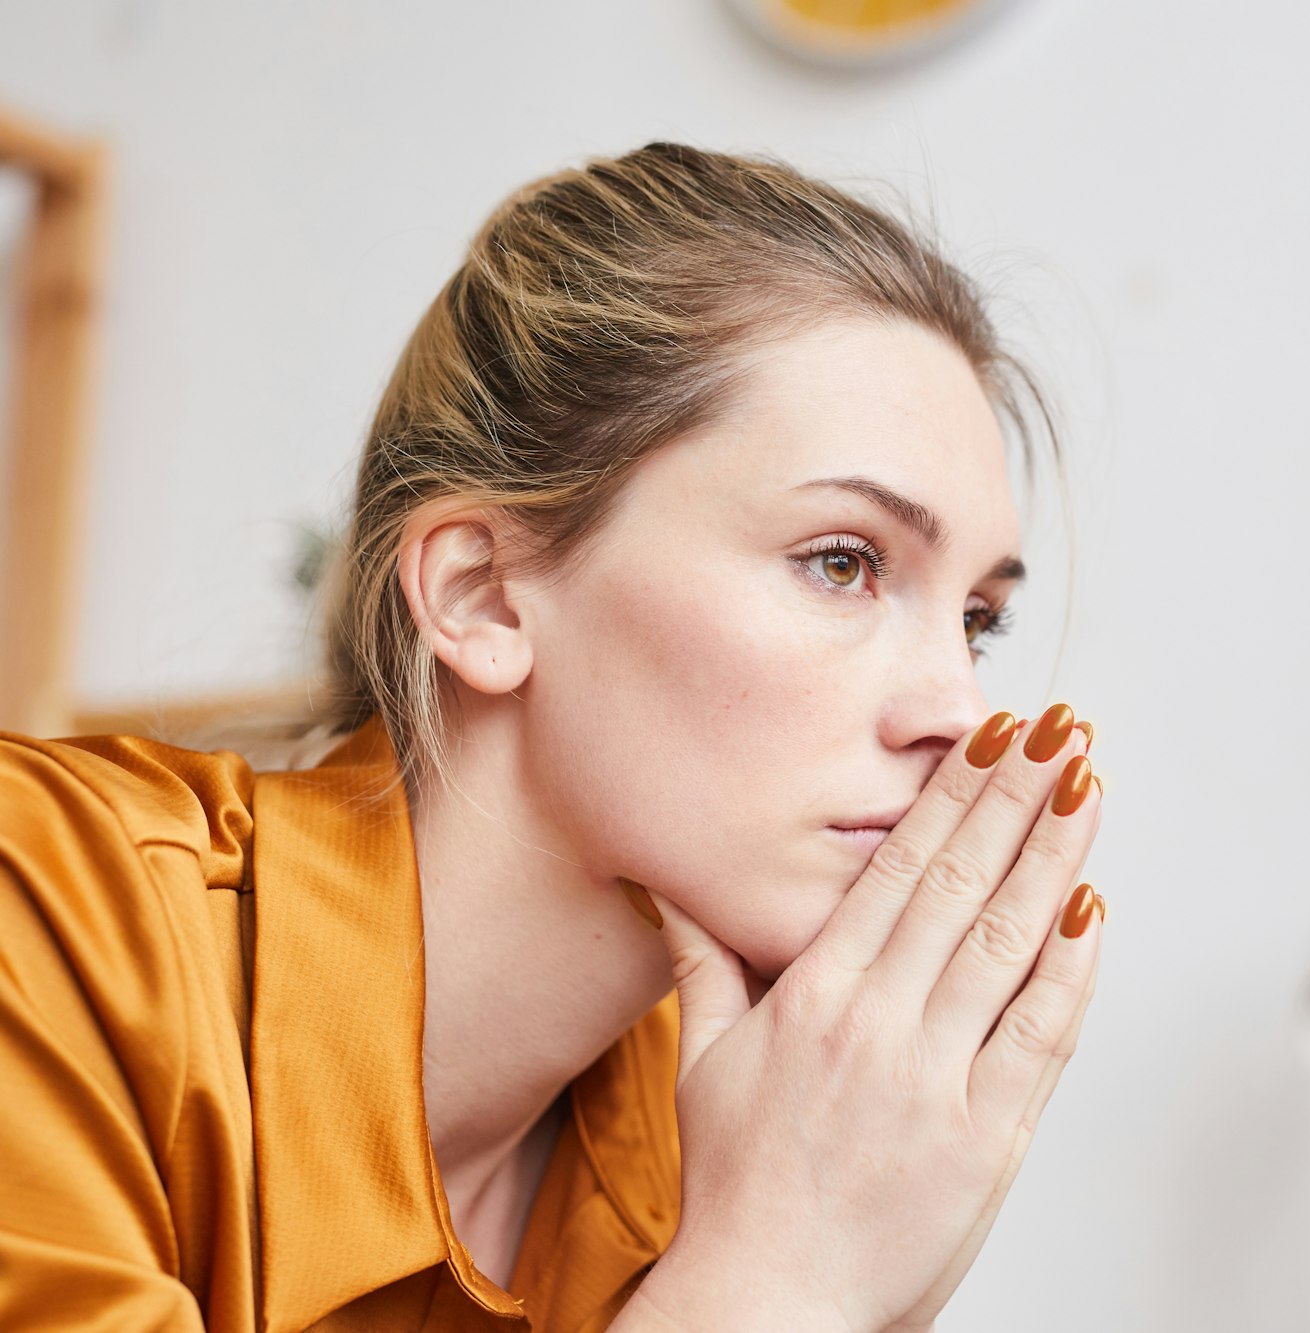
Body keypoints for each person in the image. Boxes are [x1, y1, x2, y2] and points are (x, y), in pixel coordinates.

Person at [0, 141, 1107, 1332]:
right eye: (841, 561)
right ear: (481, 595)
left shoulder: (758, 1136)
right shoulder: (44, 917)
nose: (956, 708)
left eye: (978, 618)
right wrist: (773, 1286)